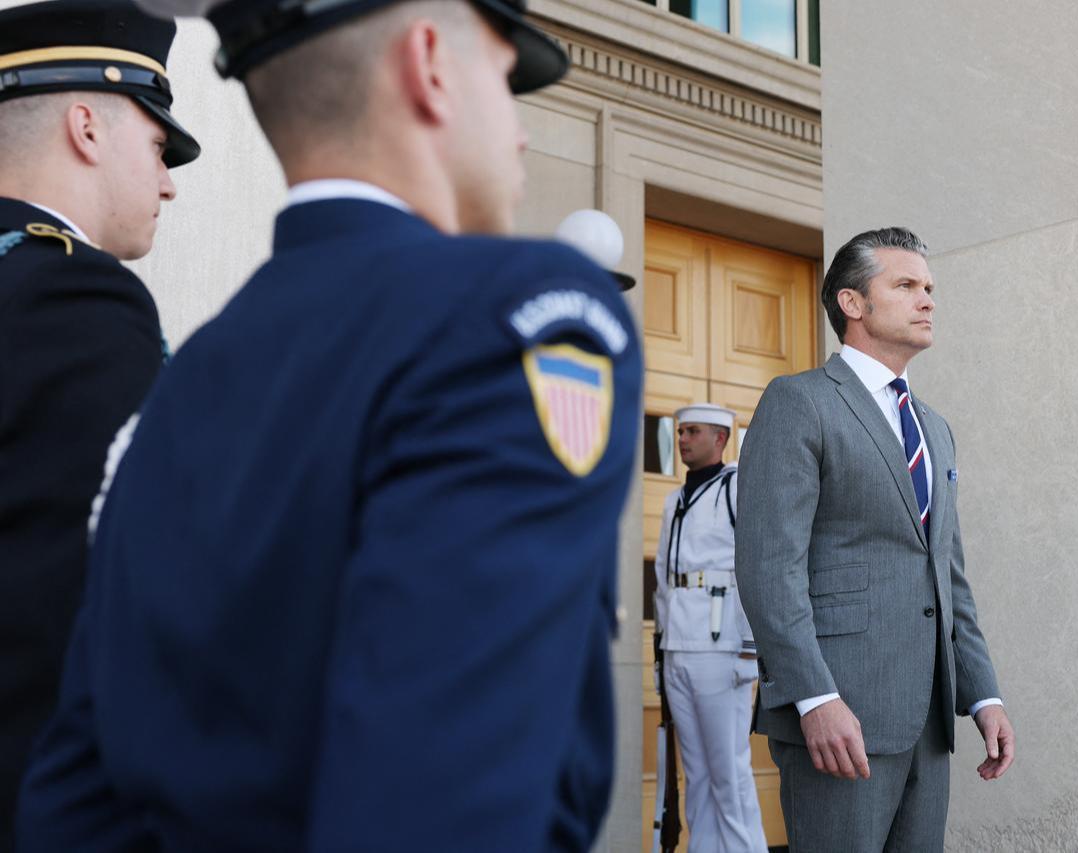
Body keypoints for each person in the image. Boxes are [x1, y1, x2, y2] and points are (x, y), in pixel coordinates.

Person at [16, 1, 640, 851]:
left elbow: (76, 784)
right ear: (430, 62)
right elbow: (442, 801)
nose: (523, 134)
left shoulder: (195, 368)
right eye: (504, 77)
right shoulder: (514, 315)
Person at [735, 227, 1015, 852]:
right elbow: (767, 568)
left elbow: (948, 576)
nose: (927, 300)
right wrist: (815, 696)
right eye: (907, 285)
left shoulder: (934, 429)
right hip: (840, 714)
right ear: (852, 304)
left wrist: (983, 692)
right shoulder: (799, 403)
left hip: (928, 718)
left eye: (930, 288)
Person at [0, 2, 199, 847]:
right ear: (86, 125)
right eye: (158, 147)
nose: (167, 181)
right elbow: (93, 610)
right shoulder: (76, 296)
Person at [653, 404, 767, 853]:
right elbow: (663, 578)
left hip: (721, 651)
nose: (682, 438)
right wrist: (660, 652)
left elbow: (756, 563)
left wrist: (749, 651)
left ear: (720, 438)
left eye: (693, 431)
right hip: (679, 648)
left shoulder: (736, 488)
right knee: (695, 774)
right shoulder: (672, 501)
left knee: (729, 774)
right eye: (680, 431)